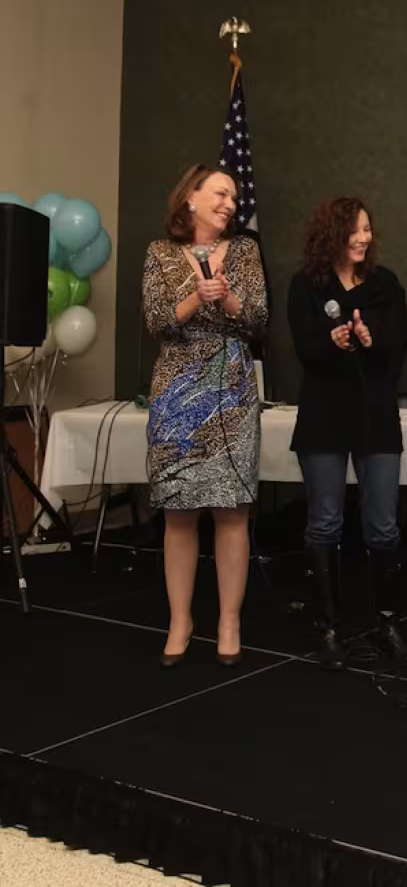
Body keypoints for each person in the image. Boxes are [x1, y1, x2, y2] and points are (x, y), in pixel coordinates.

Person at [142, 162, 268, 667]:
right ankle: (180, 621)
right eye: (220, 193)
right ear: (190, 198)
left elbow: (259, 318)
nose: (230, 204)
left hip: (232, 389)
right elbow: (156, 319)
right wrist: (197, 296)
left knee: (231, 510)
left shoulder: (245, 251)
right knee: (178, 511)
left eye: (234, 197)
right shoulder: (160, 253)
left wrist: (229, 297)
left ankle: (228, 621)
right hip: (176, 390)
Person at [288, 197, 407, 670]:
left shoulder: (386, 284)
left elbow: (398, 348)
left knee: (383, 524)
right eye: (354, 230)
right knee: (324, 522)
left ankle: (387, 623)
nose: (364, 238)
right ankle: (329, 629)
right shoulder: (307, 285)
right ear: (332, 233)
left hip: (376, 415)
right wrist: (332, 341)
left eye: (367, 229)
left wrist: (368, 340)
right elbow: (304, 349)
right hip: (324, 415)